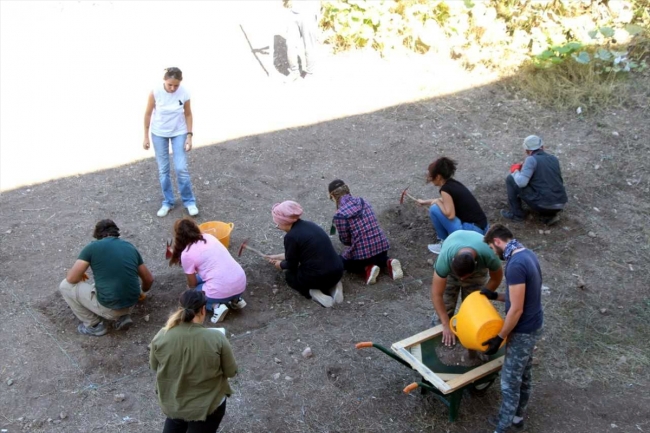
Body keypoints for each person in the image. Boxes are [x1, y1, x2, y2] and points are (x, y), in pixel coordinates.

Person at [480, 224, 543, 433]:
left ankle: (503, 426)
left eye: (491, 248)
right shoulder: (527, 254)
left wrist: (499, 337)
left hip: (523, 331)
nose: (493, 253)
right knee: (524, 374)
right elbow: (519, 297)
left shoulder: (515, 265)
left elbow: (516, 310)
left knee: (509, 382)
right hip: (534, 325)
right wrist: (495, 296)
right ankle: (517, 417)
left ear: (497, 242)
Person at [150, 290, 237, 433]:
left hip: (175, 403)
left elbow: (154, 365)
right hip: (208, 406)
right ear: (203, 310)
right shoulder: (217, 338)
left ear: (180, 309)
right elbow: (231, 372)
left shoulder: (161, 335)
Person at [59, 219, 154, 336]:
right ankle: (122, 316)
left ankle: (94, 325)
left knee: (65, 285)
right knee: (111, 281)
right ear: (116, 233)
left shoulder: (92, 247)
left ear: (97, 235)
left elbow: (72, 279)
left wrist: (70, 272)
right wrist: (142, 292)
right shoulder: (130, 247)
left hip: (110, 308)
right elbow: (149, 279)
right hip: (131, 303)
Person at [429, 230, 503, 351]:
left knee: (474, 309)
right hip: (453, 267)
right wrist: (446, 325)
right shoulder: (445, 259)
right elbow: (437, 294)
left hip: (476, 273)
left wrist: (481, 296)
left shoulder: (490, 254)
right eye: (460, 277)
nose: (462, 280)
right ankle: (439, 339)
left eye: (464, 277)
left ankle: (472, 341)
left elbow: (496, 278)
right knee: (446, 305)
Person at [143, 67, 199, 218]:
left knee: (181, 168)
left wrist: (189, 135)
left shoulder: (184, 92)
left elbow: (188, 114)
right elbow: (148, 114)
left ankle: (189, 201)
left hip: (178, 132)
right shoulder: (155, 92)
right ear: (165, 81)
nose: (173, 88)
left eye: (176, 85)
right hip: (159, 133)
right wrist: (146, 136)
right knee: (163, 170)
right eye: (170, 85)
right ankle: (168, 201)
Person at [266, 200, 344, 308]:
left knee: (290, 275)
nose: (278, 227)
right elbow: (300, 253)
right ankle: (335, 286)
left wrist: (280, 265)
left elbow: (291, 264)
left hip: (319, 278)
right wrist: (275, 256)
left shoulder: (291, 237)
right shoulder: (310, 225)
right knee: (324, 271)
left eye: (277, 224)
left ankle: (312, 292)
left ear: (284, 221)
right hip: (337, 271)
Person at [169, 218, 247, 323]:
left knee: (193, 292)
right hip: (241, 282)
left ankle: (216, 306)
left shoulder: (186, 254)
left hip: (221, 289)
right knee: (206, 277)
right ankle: (236, 300)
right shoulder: (209, 237)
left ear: (178, 237)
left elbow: (192, 284)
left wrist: (190, 288)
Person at [328, 179, 403, 285]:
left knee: (342, 262)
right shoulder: (363, 201)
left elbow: (345, 240)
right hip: (382, 248)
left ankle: (368, 268)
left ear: (334, 196)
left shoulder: (340, 214)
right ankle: (388, 261)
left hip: (364, 256)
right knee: (377, 255)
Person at [416, 157, 489, 254]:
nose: (430, 178)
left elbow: (450, 215)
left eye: (431, 176)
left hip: (471, 231)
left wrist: (437, 202)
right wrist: (425, 202)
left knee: (434, 209)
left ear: (438, 177)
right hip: (483, 229)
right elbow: (446, 201)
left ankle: (445, 244)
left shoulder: (445, 189)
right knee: (436, 205)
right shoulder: (454, 184)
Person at [502, 135, 568, 225]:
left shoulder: (531, 159)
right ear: (542, 147)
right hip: (560, 203)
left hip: (543, 205)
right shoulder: (554, 159)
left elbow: (521, 183)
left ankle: (517, 215)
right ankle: (549, 216)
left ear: (527, 150)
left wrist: (516, 171)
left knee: (511, 179)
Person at [283, 0, 321, 81]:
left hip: (308, 13)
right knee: (290, 44)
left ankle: (310, 73)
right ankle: (294, 72)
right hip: (293, 12)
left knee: (309, 45)